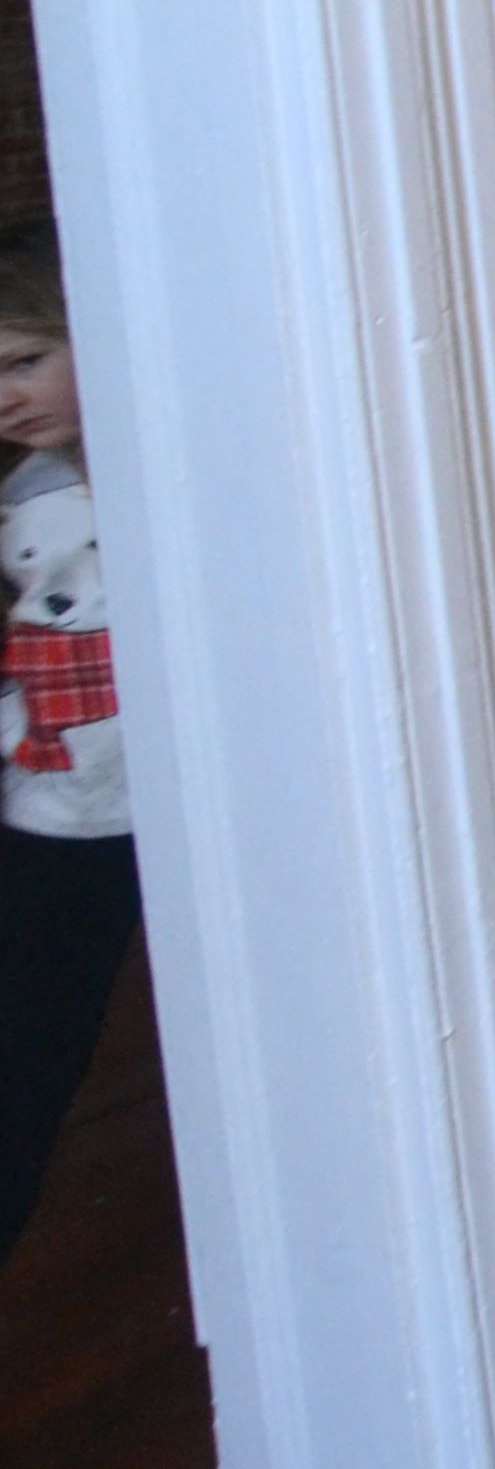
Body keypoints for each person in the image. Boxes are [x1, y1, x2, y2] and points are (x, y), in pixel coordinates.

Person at [0, 229, 133, 1265]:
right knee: (31, 1040)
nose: (5, 397)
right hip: (57, 804)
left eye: (23, 361)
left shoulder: (156, 482)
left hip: (157, 800)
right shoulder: (29, 498)